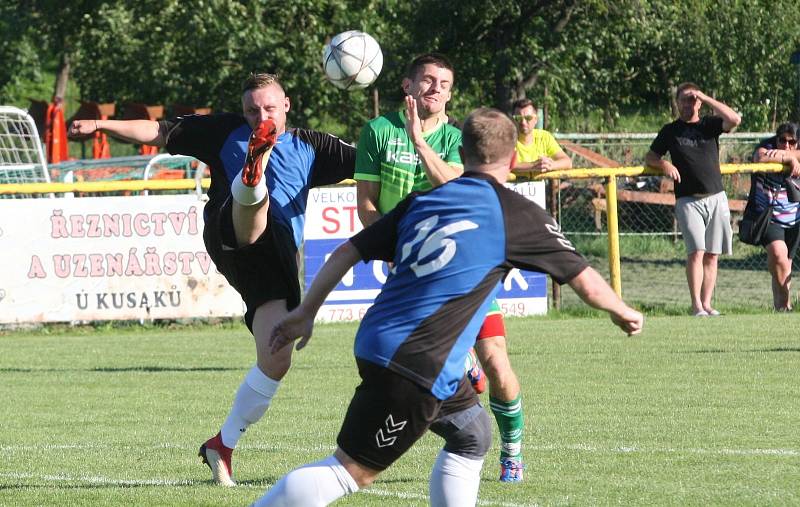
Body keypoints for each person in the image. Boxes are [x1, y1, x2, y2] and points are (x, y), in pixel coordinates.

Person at [255, 108, 644, 506]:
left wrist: (306, 312)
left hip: (378, 340)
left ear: (462, 150)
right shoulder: (516, 214)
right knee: (351, 470)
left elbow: (346, 251)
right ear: (512, 159)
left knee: (472, 433)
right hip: (418, 362)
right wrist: (622, 310)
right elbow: (586, 281)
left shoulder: (420, 201)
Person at [68, 73, 356, 486]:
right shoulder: (223, 131)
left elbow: (373, 160)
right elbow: (156, 130)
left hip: (275, 262)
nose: (260, 115)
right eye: (252, 110)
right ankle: (251, 177)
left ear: (286, 105)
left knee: (276, 357)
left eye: (269, 109)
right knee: (252, 212)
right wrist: (101, 126)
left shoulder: (314, 146)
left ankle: (222, 444)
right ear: (242, 112)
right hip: (231, 231)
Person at [354, 53, 525, 481]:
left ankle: (512, 451)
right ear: (407, 86)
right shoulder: (376, 132)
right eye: (427, 81)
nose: (435, 89)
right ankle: (458, 367)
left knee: (497, 364)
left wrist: (419, 142)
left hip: (466, 266)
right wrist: (394, 249)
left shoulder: (457, 138)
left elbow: (461, 186)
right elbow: (367, 205)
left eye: (444, 84)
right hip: (412, 275)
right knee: (416, 374)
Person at [644, 82, 741, 316]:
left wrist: (705, 96)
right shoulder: (670, 130)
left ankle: (707, 303)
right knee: (696, 251)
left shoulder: (709, 124)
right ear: (677, 102)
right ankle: (696, 305)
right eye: (684, 99)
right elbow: (650, 156)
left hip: (716, 197)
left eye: (692, 99)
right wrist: (663, 163)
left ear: (699, 102)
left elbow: (734, 119)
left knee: (712, 253)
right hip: (688, 200)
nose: (688, 104)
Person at [750, 122, 800, 310]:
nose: (786, 145)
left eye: (792, 142)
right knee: (779, 256)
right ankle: (786, 305)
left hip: (794, 217)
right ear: (776, 139)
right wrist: (791, 159)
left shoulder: (788, 151)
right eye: (782, 141)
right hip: (769, 215)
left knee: (785, 264)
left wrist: (788, 157)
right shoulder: (767, 146)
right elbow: (760, 158)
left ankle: (779, 309)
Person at [510, 98, 572, 178]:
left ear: (536, 119)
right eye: (518, 118)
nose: (523, 122)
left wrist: (549, 165)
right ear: (513, 119)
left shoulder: (544, 137)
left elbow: (567, 162)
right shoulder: (507, 139)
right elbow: (504, 165)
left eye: (528, 118)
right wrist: (533, 166)